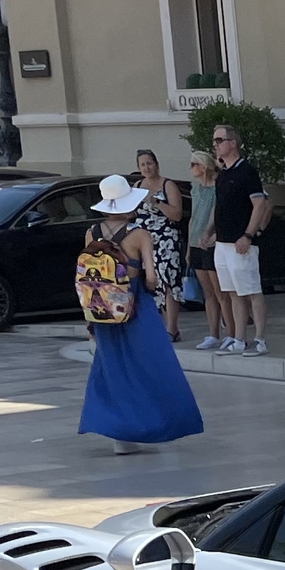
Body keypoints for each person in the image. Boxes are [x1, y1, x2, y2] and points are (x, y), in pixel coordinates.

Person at [79, 174, 202, 454]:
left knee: (112, 368)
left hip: (102, 309)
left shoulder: (91, 233)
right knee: (151, 363)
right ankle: (157, 425)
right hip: (135, 303)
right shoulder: (139, 234)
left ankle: (118, 435)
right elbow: (151, 277)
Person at [206, 121, 272, 355]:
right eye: (214, 141)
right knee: (233, 292)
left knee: (251, 290)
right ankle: (239, 339)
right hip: (223, 243)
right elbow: (220, 205)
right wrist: (211, 230)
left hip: (241, 242)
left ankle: (260, 339)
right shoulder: (223, 174)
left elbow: (259, 204)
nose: (215, 145)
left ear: (232, 143)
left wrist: (248, 235)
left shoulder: (247, 172)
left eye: (219, 140)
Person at [132, 148, 185, 342]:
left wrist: (156, 202)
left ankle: (172, 328)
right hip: (145, 241)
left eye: (149, 163)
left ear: (156, 164)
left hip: (166, 240)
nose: (147, 167)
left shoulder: (167, 185)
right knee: (154, 284)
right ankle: (163, 325)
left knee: (168, 280)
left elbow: (177, 214)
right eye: (143, 164)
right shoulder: (137, 186)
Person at [185, 150, 234, 350]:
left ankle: (231, 333)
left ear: (203, 167)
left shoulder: (217, 189)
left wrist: (213, 233)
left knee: (220, 292)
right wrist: (188, 247)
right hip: (196, 242)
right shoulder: (195, 190)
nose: (191, 169)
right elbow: (193, 218)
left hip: (212, 244)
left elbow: (218, 215)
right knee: (208, 293)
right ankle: (213, 333)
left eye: (193, 164)